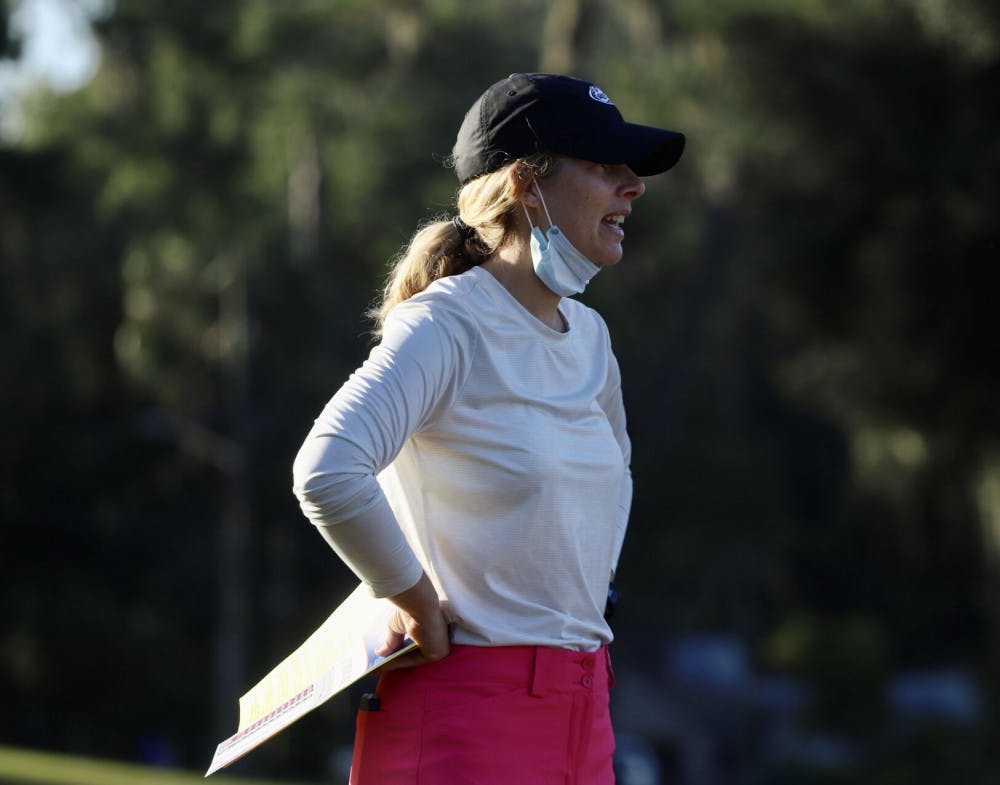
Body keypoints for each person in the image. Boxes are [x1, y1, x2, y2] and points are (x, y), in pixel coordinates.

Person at [292, 72, 684, 785]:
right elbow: (327, 468)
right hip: (463, 710)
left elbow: (614, 486)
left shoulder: (593, 341)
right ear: (527, 186)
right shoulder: (444, 324)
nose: (633, 185)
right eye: (603, 166)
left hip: (586, 709)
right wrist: (410, 595)